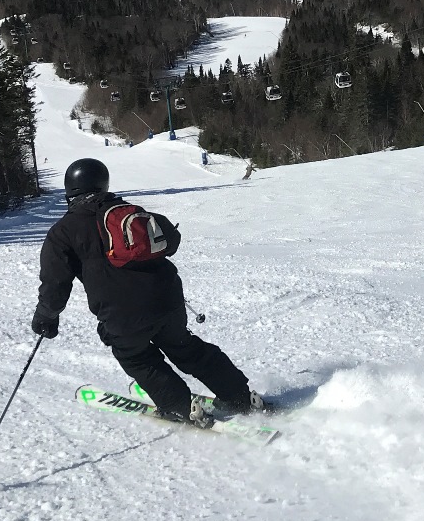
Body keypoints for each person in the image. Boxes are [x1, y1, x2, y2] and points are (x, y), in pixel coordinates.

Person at [32, 157, 264, 427]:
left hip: (123, 312)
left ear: (69, 190)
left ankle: (181, 406)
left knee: (136, 355)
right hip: (168, 298)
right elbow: (171, 241)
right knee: (184, 347)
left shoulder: (63, 232)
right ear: (103, 183)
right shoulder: (128, 212)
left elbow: (55, 282)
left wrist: (47, 316)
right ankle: (241, 396)